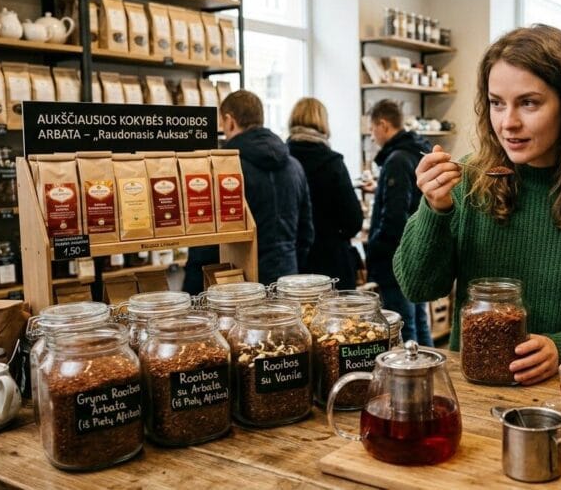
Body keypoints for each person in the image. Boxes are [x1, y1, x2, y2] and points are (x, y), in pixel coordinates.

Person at [393, 24, 561, 385]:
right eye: (496, 103)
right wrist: (434, 209)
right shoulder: (471, 180)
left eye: (529, 103)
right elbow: (418, 287)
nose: (508, 123)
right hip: (476, 391)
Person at [183, 90, 313, 291]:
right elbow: (306, 232)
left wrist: (192, 289)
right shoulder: (294, 166)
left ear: (229, 121)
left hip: (238, 288)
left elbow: (206, 242)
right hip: (287, 281)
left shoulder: (224, 168)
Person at [366, 99, 434, 346]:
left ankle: (413, 381)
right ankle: (432, 375)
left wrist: (374, 247)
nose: (372, 136)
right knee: (419, 322)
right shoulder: (416, 152)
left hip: (398, 259)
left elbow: (395, 218)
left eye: (372, 129)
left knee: (404, 326)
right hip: (418, 252)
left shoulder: (396, 160)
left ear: (383, 125)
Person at [286, 97, 363, 290]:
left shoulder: (282, 161)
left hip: (293, 264)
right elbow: (353, 221)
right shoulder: (332, 163)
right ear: (323, 123)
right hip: (331, 263)